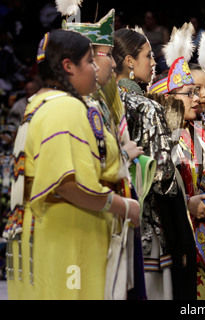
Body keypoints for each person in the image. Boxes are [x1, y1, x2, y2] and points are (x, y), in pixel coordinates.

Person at [5, 29, 140, 300]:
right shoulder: (64, 108)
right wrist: (124, 205)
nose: (97, 67)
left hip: (53, 234)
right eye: (90, 61)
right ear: (68, 66)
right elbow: (68, 185)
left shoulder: (39, 104)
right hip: (69, 239)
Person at [113, 27, 197, 300]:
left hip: (113, 220)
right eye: (148, 56)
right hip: (150, 226)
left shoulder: (101, 104)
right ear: (129, 61)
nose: (153, 63)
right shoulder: (147, 107)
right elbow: (162, 176)